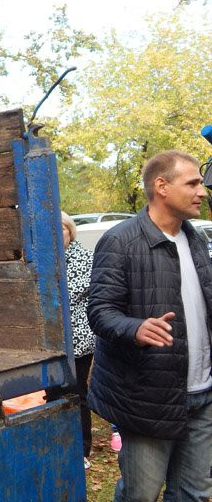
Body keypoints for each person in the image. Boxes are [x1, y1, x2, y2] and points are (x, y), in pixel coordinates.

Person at [87, 150, 212, 501]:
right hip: (146, 398)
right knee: (141, 494)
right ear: (162, 187)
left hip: (202, 393)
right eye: (193, 183)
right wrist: (135, 328)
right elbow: (99, 310)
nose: (202, 191)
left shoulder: (197, 240)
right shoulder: (120, 241)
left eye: (201, 183)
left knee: (194, 494)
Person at [46, 212, 94, 469]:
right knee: (52, 392)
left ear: (70, 232)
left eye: (61, 229)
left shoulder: (84, 258)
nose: (57, 235)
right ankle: (54, 443)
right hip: (52, 343)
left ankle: (81, 449)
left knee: (76, 393)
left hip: (79, 342)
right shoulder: (45, 260)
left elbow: (72, 294)